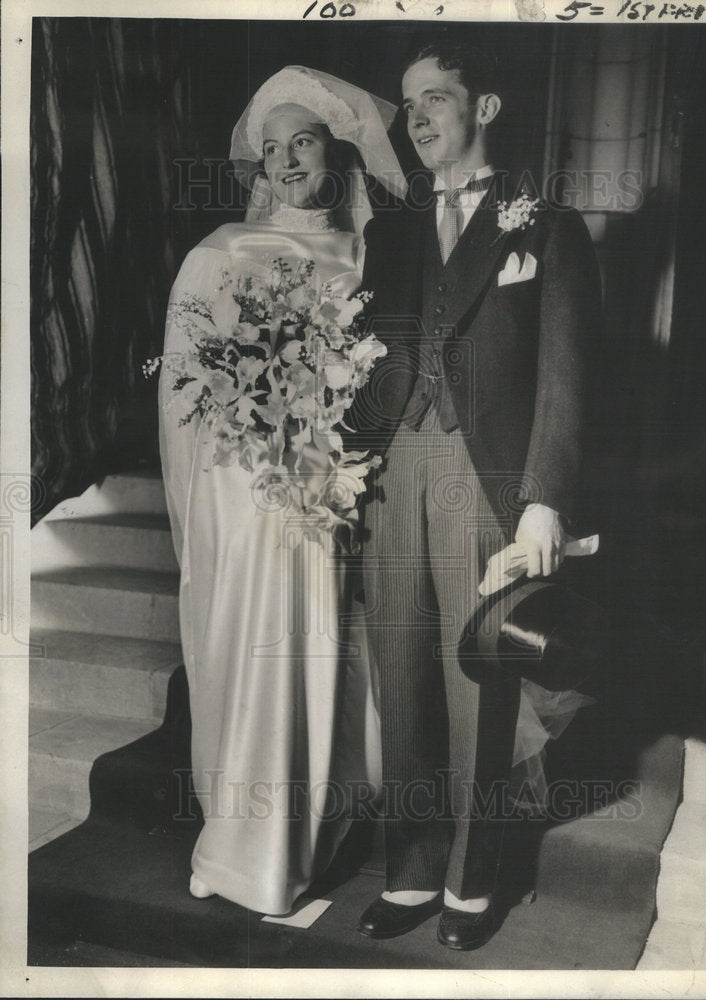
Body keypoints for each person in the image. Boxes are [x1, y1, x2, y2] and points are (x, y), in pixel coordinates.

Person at [354, 42, 603, 949]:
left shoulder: (547, 226)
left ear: (485, 107)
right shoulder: (387, 232)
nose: (417, 117)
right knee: (402, 677)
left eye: (437, 99)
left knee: (478, 688)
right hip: (387, 475)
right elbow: (362, 364)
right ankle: (412, 873)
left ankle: (470, 883)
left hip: (483, 476)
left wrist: (545, 501)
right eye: (407, 103)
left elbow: (569, 377)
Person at [158, 66, 406, 916]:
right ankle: (239, 842)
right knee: (244, 657)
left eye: (303, 141)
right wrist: (249, 455)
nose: (288, 160)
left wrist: (329, 444)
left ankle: (291, 848)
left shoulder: (371, 253)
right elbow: (186, 390)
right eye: (274, 149)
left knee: (314, 656)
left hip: (326, 492)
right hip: (249, 497)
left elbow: (386, 374)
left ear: (335, 150)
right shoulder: (220, 252)